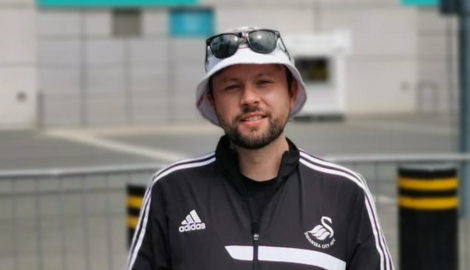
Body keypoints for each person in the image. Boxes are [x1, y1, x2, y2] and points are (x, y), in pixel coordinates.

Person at [126, 26, 394, 270]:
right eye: (232, 87)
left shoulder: (344, 192)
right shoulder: (172, 190)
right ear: (212, 101)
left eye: (264, 82)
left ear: (291, 92)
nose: (249, 98)